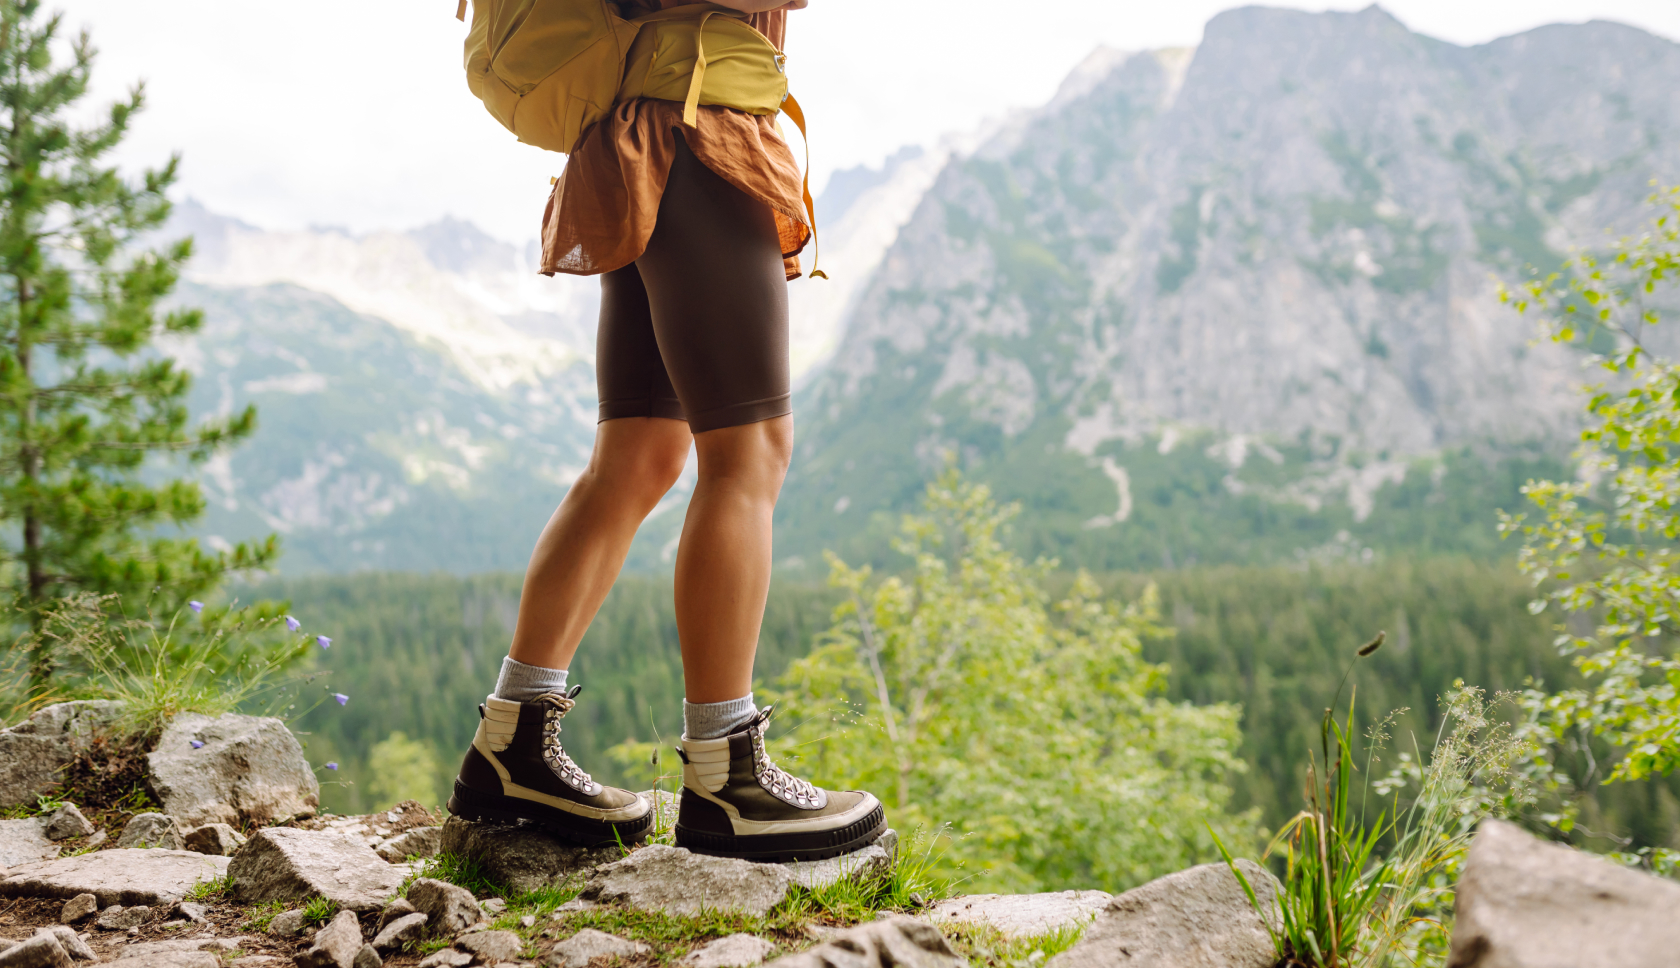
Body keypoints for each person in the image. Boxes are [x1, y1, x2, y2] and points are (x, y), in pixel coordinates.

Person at [446, 0, 885, 862]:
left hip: (638, 132)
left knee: (639, 454)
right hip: (696, 126)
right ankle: (729, 778)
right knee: (749, 452)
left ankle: (512, 746)